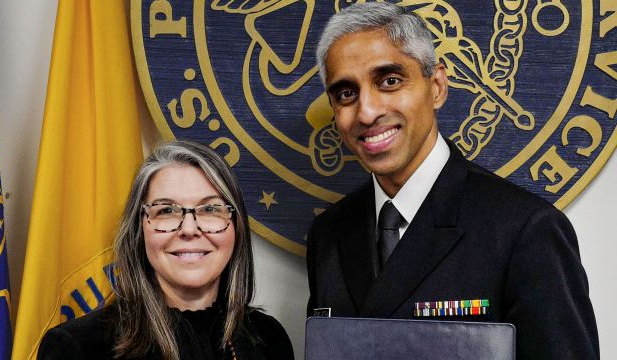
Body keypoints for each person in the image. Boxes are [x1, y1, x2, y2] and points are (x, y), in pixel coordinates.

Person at [306, 2, 599, 359]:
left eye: (390, 81)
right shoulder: (329, 235)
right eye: (346, 94)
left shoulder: (525, 230)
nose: (367, 112)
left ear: (437, 87)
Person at [38, 141, 294, 360]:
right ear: (139, 231)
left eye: (210, 209)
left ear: (236, 228)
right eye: (167, 211)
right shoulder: (77, 347)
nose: (190, 229)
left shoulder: (269, 339)